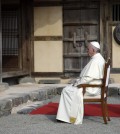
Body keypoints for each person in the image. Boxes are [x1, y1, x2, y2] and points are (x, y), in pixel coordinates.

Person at [56, 41, 105, 125]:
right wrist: (78, 81)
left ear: (93, 50)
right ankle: (66, 116)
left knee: (66, 90)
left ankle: (70, 118)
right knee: (68, 89)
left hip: (91, 88)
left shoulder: (96, 61)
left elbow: (88, 78)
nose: (87, 50)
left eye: (88, 49)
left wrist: (78, 83)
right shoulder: (98, 58)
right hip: (92, 85)